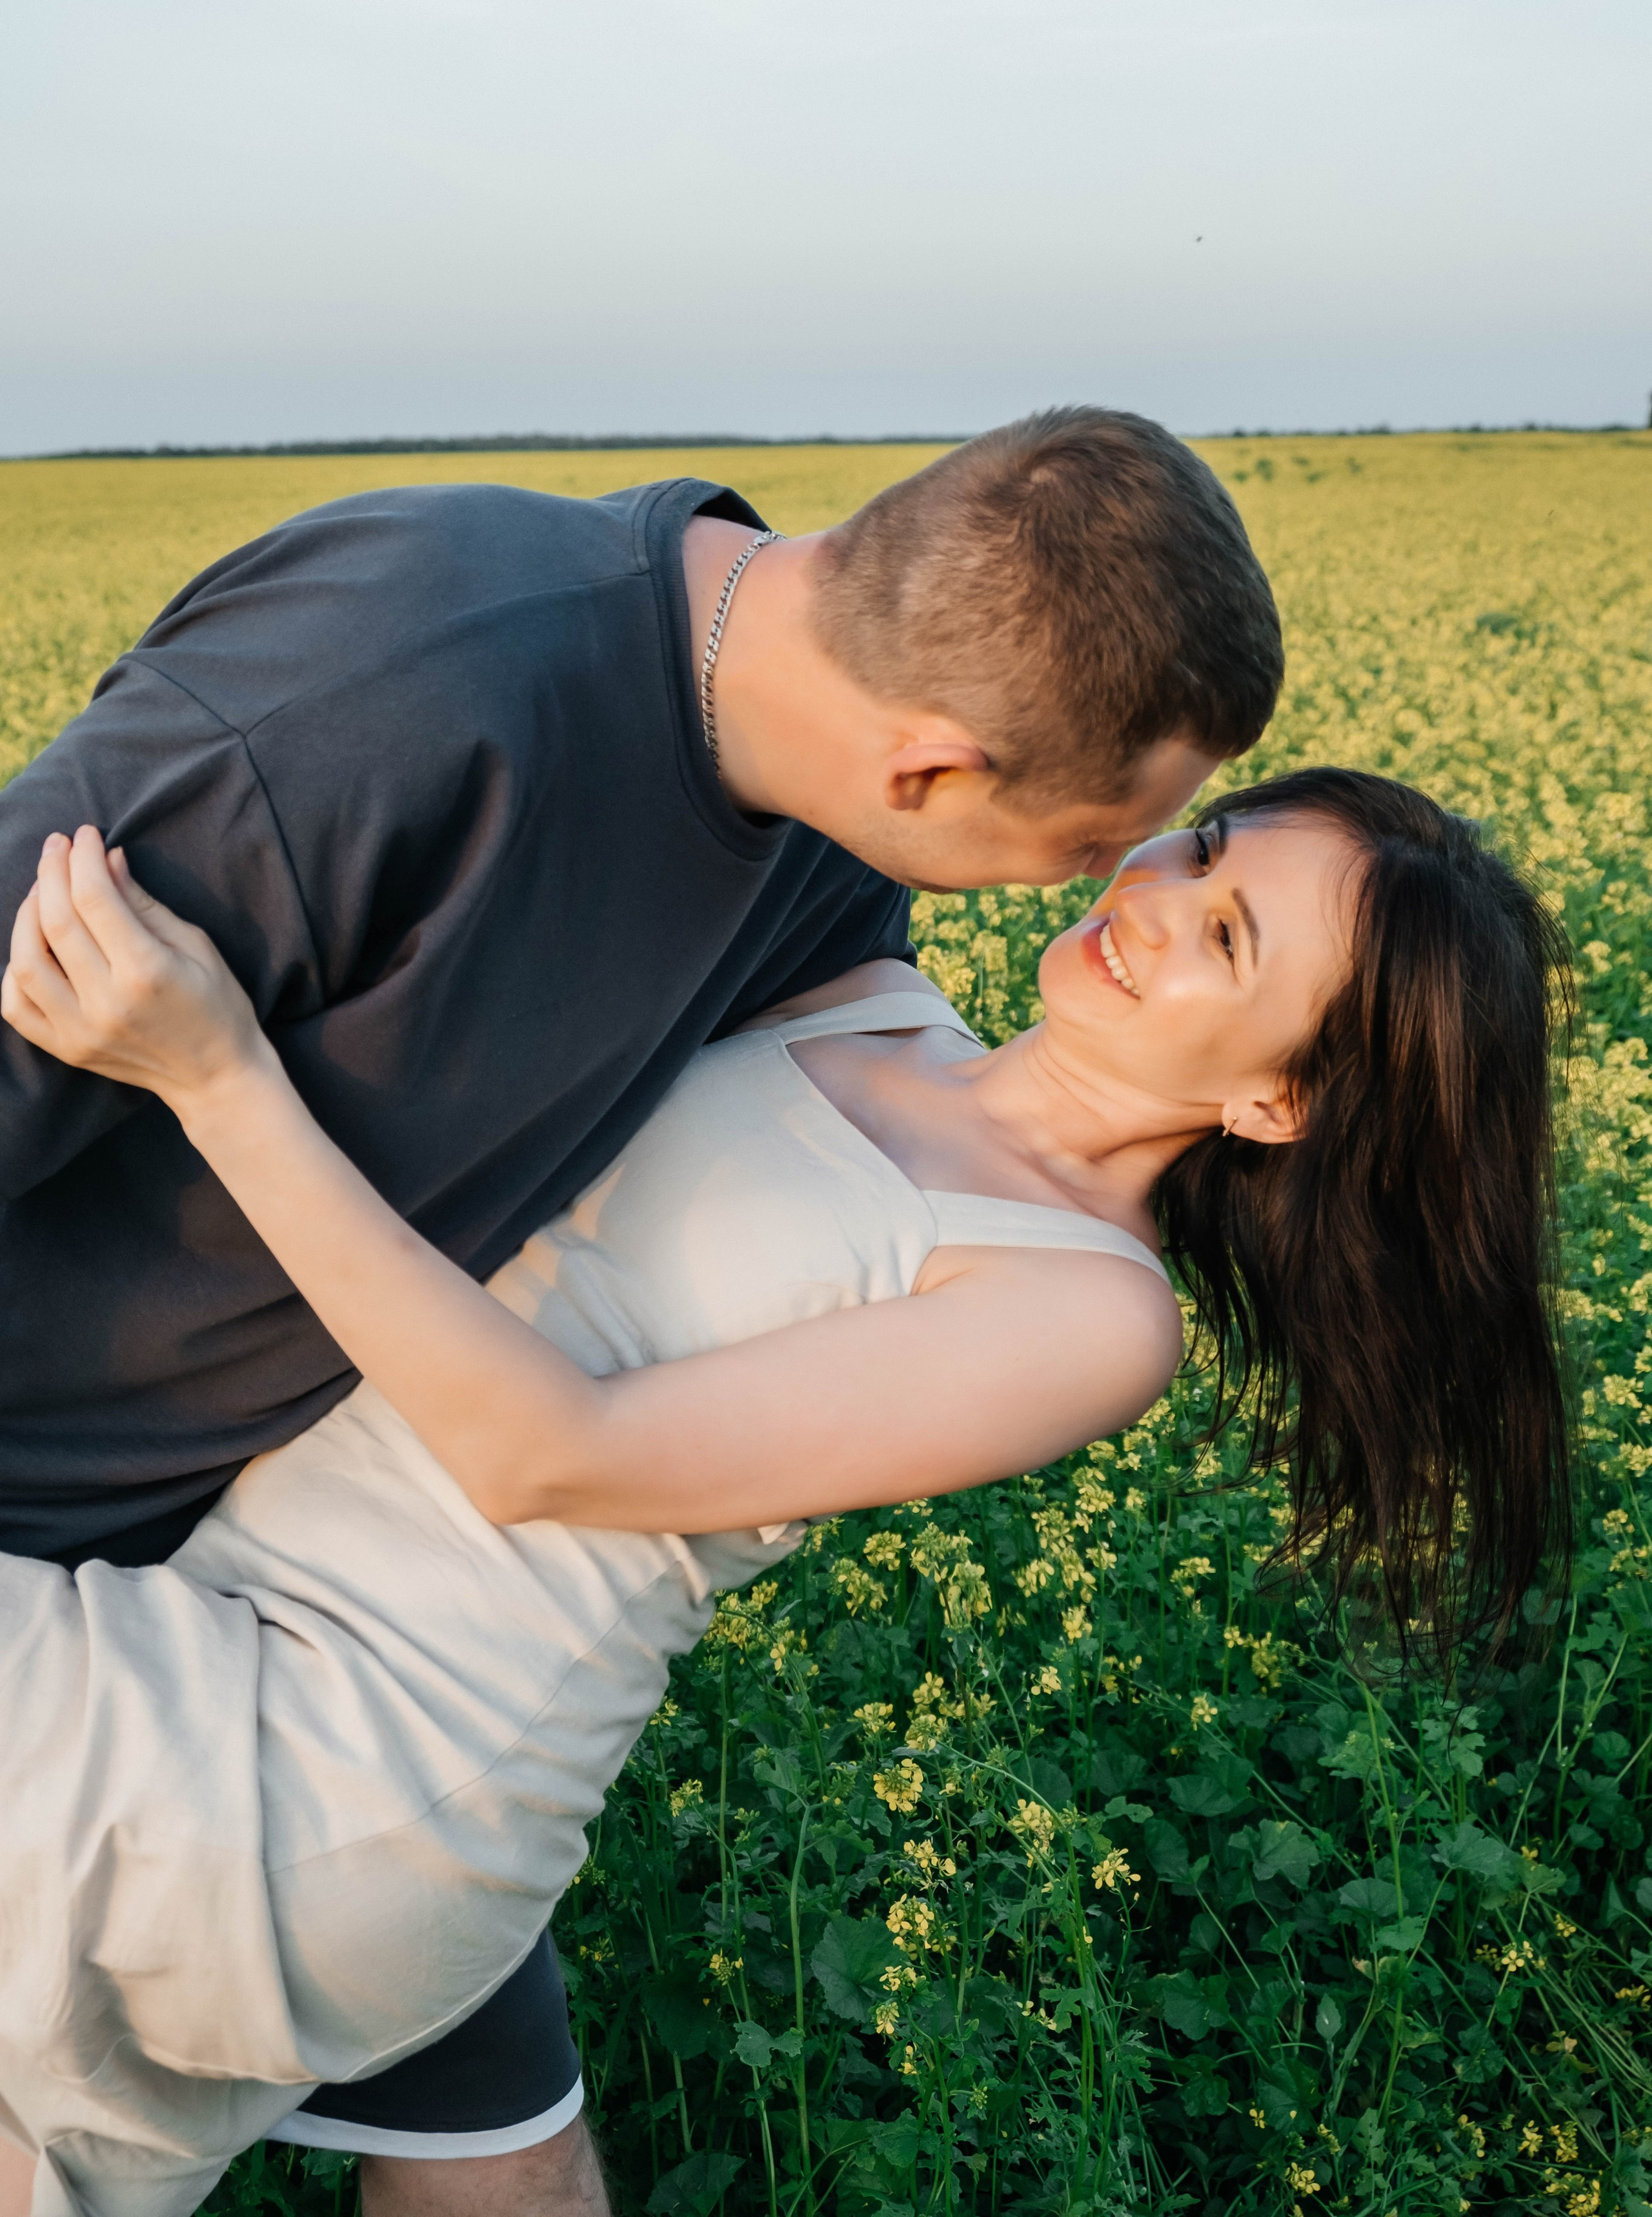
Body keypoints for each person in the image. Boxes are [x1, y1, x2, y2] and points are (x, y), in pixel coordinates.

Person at [0, 409, 1282, 2212]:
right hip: (200, 1617)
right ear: (925, 764)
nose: (1113, 892)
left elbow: (573, 1429)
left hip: (359, 1712)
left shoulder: (829, 874)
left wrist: (221, 1080)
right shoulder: (390, 700)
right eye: (1125, 844)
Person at [0, 768, 1569, 2217]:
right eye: (1205, 842)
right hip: (218, 1628)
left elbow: (552, 1454)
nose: (1154, 899)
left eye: (1224, 936)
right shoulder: (868, 995)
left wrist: (215, 1075)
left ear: (1275, 1104)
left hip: (352, 1759)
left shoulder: (1085, 1309)